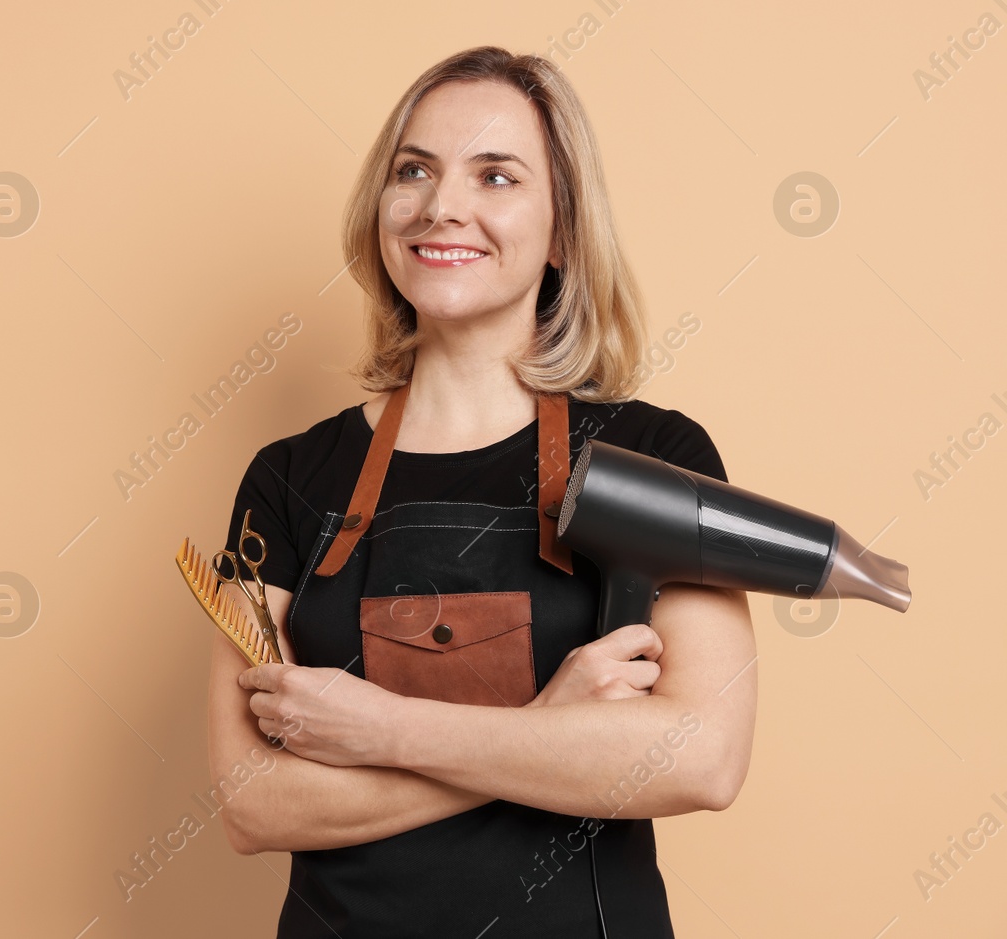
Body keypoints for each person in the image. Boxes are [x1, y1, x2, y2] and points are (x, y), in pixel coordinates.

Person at [206, 46, 758, 937]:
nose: (440, 206)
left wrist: (382, 728)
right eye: (413, 171)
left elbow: (701, 756)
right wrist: (549, 727)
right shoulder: (286, 478)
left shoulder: (655, 456)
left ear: (565, 231)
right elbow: (250, 804)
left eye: (496, 175)